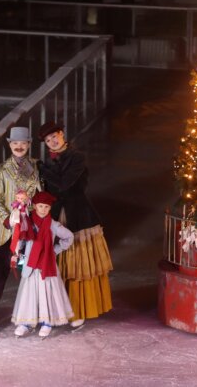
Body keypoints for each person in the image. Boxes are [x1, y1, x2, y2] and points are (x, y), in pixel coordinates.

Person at [37, 120, 113, 325]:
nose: (52, 141)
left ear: (62, 134)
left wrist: (42, 169)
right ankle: (58, 310)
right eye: (47, 140)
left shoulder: (76, 157)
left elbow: (64, 184)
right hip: (55, 215)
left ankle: (77, 310)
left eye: (54, 136)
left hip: (78, 215)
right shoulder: (49, 162)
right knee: (58, 265)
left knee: (77, 265)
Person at [0, 126, 40, 332]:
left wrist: (29, 207)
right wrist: (7, 219)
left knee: (31, 271)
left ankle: (32, 313)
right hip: (6, 229)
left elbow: (40, 195)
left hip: (29, 228)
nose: (19, 146)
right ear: (9, 145)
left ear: (29, 145)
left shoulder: (36, 168)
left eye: (23, 143)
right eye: (15, 143)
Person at [11, 191, 75, 338]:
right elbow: (21, 240)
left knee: (47, 293)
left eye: (46, 207)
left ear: (50, 208)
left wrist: (54, 251)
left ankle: (47, 322)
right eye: (40, 206)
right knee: (29, 293)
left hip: (47, 265)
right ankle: (27, 322)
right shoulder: (27, 222)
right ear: (34, 206)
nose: (43, 210)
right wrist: (18, 248)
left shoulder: (53, 225)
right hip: (30, 264)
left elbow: (69, 237)